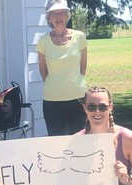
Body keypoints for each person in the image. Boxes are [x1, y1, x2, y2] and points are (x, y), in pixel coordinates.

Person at [0, 86, 132, 185]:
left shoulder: (126, 138)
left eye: (102, 107)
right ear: (84, 108)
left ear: (110, 107)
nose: (97, 112)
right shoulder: (74, 143)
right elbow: (48, 182)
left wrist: (128, 179)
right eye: (92, 106)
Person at [36, 0, 88, 136]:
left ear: (67, 16)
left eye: (62, 13)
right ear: (49, 18)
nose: (59, 17)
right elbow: (43, 71)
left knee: (79, 142)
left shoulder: (79, 37)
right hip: (52, 100)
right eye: (54, 14)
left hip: (78, 98)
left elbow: (83, 68)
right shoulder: (43, 42)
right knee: (56, 143)